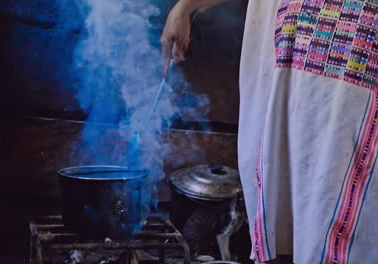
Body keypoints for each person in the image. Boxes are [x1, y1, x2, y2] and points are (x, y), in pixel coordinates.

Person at [161, 0, 378, 263]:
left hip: (355, 68)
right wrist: (185, 7)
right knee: (295, 200)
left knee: (340, 207)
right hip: (290, 64)